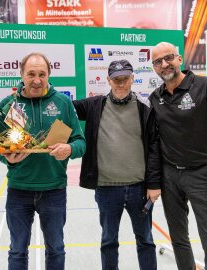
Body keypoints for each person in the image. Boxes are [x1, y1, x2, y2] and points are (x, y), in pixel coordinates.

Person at [0, 52, 86, 270]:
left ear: (49, 75)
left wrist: (69, 149)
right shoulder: (9, 105)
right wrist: (9, 158)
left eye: (42, 74)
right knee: (17, 251)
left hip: (54, 189)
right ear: (21, 75)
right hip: (19, 189)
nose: (37, 80)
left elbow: (80, 142)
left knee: (55, 249)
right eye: (31, 74)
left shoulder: (62, 103)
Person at [149, 42, 207, 270]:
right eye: (158, 62)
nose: (164, 64)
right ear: (154, 67)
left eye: (168, 58)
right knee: (178, 238)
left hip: (203, 174)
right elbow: (154, 143)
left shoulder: (206, 85)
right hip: (170, 176)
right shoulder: (155, 98)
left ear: (178, 59)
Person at [73, 59, 161, 270]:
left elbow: (154, 148)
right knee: (108, 241)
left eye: (124, 79)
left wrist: (154, 184)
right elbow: (60, 104)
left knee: (146, 241)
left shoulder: (145, 108)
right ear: (108, 80)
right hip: (106, 189)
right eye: (116, 79)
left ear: (132, 79)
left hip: (139, 189)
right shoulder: (94, 106)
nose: (120, 84)